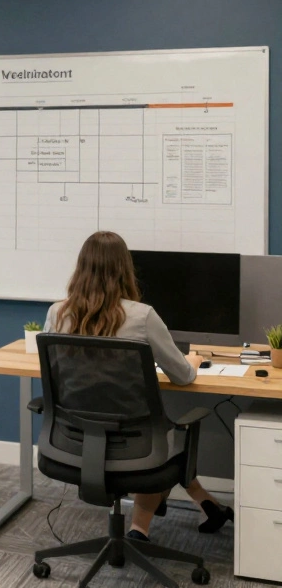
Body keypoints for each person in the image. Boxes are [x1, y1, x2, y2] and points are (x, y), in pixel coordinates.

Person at [45, 231, 234, 540]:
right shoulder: (142, 316)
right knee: (167, 439)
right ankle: (141, 529)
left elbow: (54, 376)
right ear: (125, 269)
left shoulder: (58, 313)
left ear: (80, 268)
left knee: (158, 440)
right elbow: (183, 376)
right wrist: (195, 360)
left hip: (73, 443)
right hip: (136, 448)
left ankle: (198, 508)